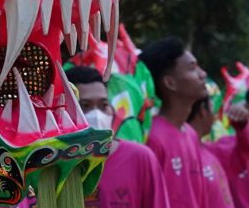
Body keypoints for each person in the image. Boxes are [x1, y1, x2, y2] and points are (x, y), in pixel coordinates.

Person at [66, 66, 171, 208]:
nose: (96, 114)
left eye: (103, 105)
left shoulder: (140, 158)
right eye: (84, 106)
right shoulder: (52, 167)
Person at [140, 37, 208, 208]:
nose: (203, 74)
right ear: (170, 82)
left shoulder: (191, 133)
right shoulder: (153, 138)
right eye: (192, 68)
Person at [188, 97, 249, 208]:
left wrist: (242, 125)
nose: (215, 117)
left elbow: (245, 155)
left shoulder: (211, 151)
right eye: (213, 109)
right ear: (202, 110)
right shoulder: (181, 152)